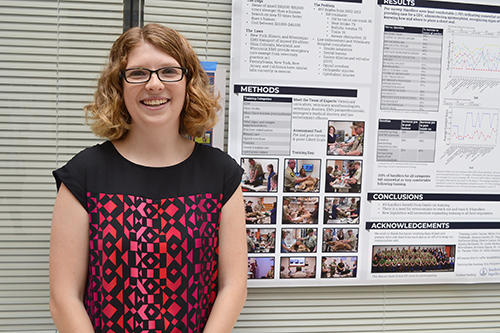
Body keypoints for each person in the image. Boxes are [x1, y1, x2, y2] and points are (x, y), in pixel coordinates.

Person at [49, 24, 247, 333]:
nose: (154, 85)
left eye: (169, 72)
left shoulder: (221, 175)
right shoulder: (84, 175)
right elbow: (64, 298)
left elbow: (233, 286)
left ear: (189, 82)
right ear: (119, 85)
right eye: (138, 73)